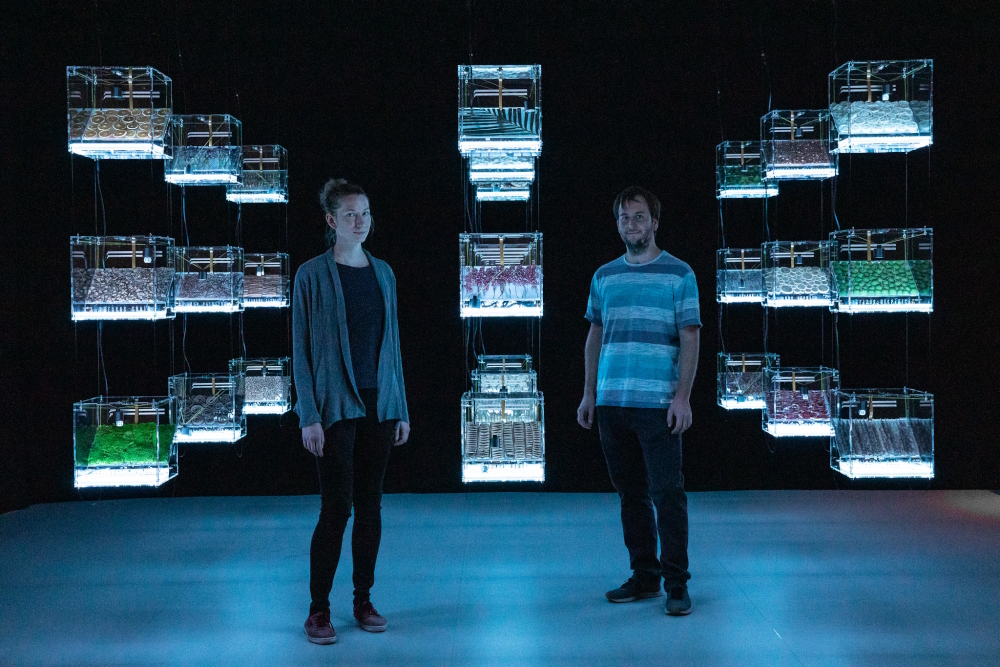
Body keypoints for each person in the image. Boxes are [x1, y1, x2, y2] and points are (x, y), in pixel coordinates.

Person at [293, 178, 411, 644]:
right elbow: (300, 351)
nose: (359, 222)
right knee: (335, 508)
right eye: (349, 215)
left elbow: (393, 346)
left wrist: (399, 405)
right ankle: (318, 610)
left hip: (379, 404)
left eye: (364, 213)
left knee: (370, 507)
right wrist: (308, 415)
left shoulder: (383, 272)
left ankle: (363, 600)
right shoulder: (311, 275)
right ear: (330, 221)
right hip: (335, 407)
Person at [576, 186, 701, 616]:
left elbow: (690, 336)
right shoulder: (604, 276)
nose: (632, 224)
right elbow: (595, 335)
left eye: (639, 216)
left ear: (655, 222)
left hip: (658, 405)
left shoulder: (679, 274)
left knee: (668, 494)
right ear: (618, 225)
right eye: (624, 218)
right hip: (613, 403)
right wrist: (590, 393)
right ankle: (645, 576)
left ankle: (677, 584)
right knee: (631, 495)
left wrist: (682, 397)